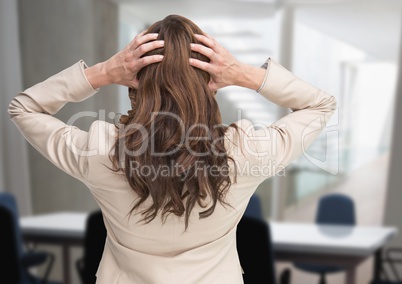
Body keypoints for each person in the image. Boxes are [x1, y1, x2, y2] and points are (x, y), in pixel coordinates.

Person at [9, 15, 336, 284]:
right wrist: (242, 74)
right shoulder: (245, 151)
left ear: (136, 79)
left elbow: (23, 108)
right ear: (210, 79)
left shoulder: (101, 151)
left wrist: (104, 72)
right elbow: (320, 105)